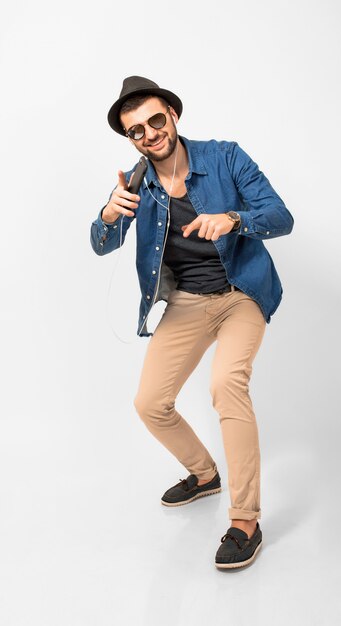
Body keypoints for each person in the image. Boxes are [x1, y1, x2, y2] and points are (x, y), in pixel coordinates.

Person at [90, 76, 294, 569]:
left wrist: (233, 219)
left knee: (226, 385)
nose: (149, 134)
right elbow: (101, 244)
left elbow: (281, 216)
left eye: (155, 120)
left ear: (173, 116)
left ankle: (245, 520)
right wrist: (107, 214)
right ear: (130, 138)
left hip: (240, 291)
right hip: (185, 302)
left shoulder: (224, 156)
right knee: (150, 403)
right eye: (136, 130)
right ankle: (204, 475)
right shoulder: (135, 185)